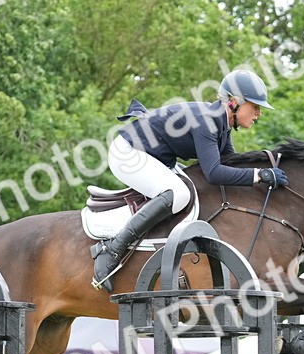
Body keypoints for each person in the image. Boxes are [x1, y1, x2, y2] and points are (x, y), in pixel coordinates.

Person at [90, 69, 288, 291]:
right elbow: (213, 173)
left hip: (156, 156)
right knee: (179, 193)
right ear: (233, 102)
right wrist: (258, 175)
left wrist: (265, 169)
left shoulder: (221, 125)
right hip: (127, 153)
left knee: (193, 188)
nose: (258, 113)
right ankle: (111, 251)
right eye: (255, 106)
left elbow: (229, 164)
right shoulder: (207, 122)